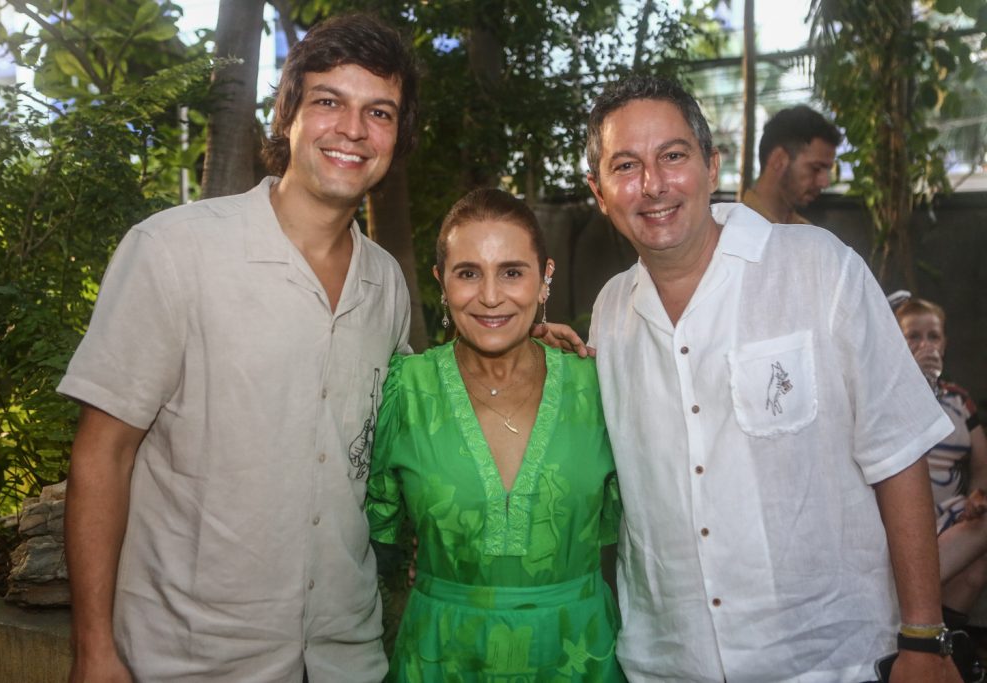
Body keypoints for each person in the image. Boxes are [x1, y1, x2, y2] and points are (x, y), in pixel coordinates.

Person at [59, 15, 419, 682]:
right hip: (190, 659)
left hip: (345, 657)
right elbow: (102, 453)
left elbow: (397, 438)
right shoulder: (174, 251)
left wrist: (524, 353)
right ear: (288, 113)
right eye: (328, 102)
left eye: (379, 112)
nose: (353, 130)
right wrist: (93, 650)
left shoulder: (386, 284)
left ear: (398, 135)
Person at [585, 74, 959, 682]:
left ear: (712, 164)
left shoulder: (818, 268)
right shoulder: (609, 311)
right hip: (668, 662)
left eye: (672, 156)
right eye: (625, 165)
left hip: (829, 660)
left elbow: (898, 451)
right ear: (598, 192)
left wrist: (923, 637)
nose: (652, 185)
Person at [366, 188, 624, 681]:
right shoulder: (406, 389)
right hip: (442, 656)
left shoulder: (599, 389)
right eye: (468, 273)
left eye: (512, 272)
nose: (490, 296)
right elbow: (370, 532)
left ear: (544, 277)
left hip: (577, 655)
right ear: (442, 282)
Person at [896, 298, 987, 627]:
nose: (925, 345)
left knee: (978, 557)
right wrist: (919, 384)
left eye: (933, 337)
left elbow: (981, 469)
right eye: (913, 337)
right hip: (902, 526)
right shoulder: (887, 396)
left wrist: (977, 497)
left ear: (944, 343)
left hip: (952, 520)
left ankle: (940, 637)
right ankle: (931, 628)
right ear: (895, 341)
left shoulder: (959, 400)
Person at [742, 104, 841, 224]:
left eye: (827, 170)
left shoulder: (807, 231)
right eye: (816, 168)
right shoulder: (733, 230)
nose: (825, 182)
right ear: (779, 160)